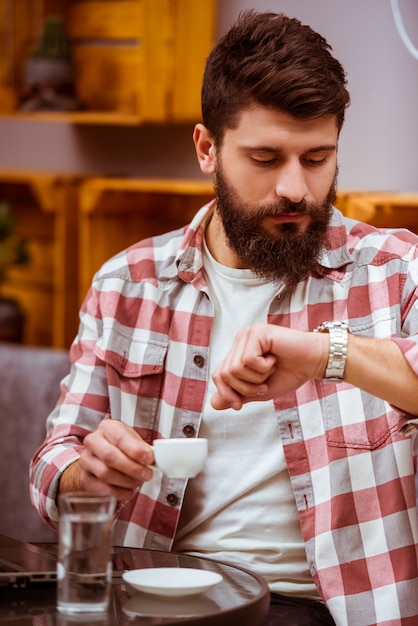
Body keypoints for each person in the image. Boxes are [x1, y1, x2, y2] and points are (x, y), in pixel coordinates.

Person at [30, 10, 418, 625]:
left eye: (317, 158)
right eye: (266, 158)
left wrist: (326, 353)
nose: (296, 188)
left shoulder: (396, 271)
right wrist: (89, 475)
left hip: (333, 609)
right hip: (159, 599)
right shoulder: (127, 282)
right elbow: (55, 463)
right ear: (207, 149)